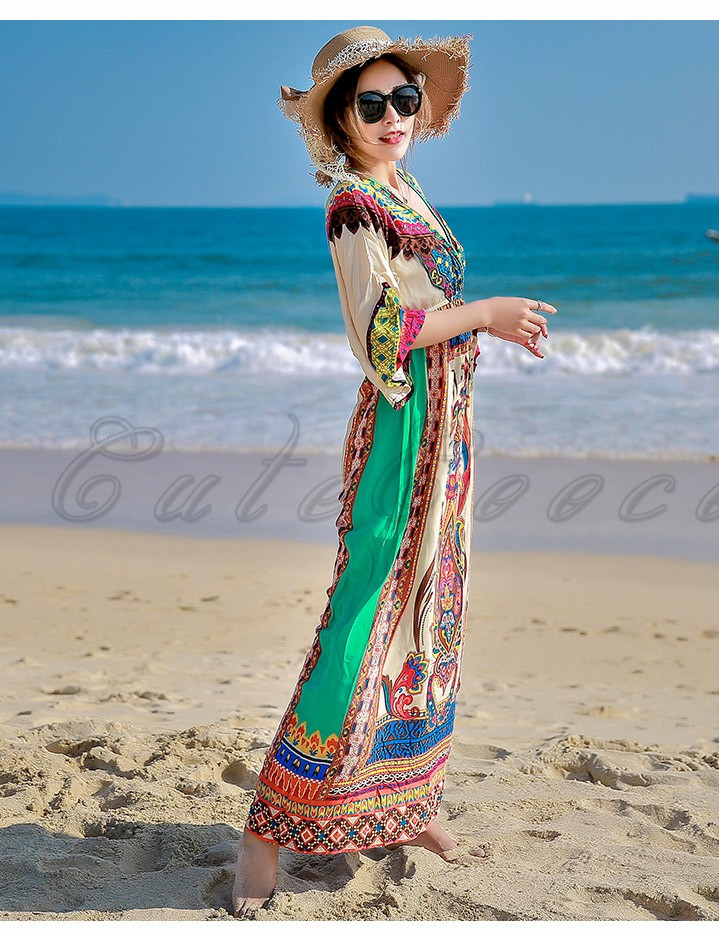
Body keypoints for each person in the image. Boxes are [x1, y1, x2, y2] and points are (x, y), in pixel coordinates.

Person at [232, 25, 557, 918]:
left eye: (404, 98)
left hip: (447, 425)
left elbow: (424, 303)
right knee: (366, 614)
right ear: (342, 118)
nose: (392, 116)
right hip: (405, 428)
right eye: (371, 103)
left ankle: (404, 804)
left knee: (428, 614)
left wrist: (481, 324)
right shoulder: (353, 207)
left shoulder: (402, 188)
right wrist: (483, 313)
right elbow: (383, 335)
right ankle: (266, 826)